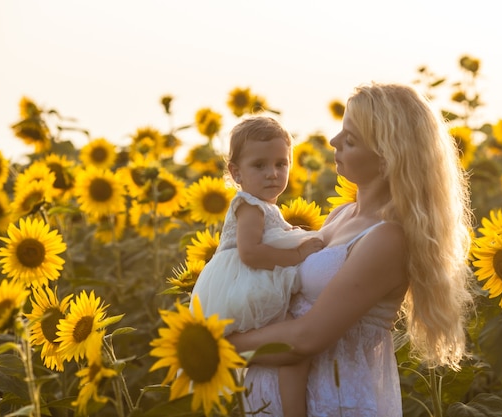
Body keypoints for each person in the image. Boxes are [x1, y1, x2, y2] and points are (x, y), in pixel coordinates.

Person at [228, 82, 474, 416]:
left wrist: (217, 346)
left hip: (334, 399)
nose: (334, 142)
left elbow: (308, 338)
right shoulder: (341, 214)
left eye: (351, 140)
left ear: (388, 158)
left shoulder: (388, 238)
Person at [190, 116, 324, 417]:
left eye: (281, 164)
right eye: (259, 165)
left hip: (252, 286)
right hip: (244, 288)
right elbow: (250, 253)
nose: (272, 174)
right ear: (236, 172)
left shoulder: (265, 206)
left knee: (292, 351)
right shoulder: (249, 206)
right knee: (293, 348)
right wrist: (299, 253)